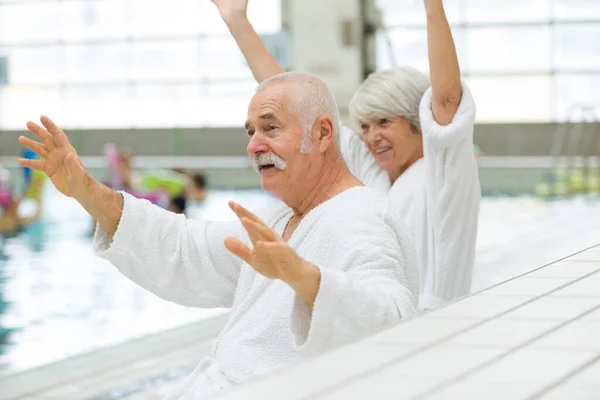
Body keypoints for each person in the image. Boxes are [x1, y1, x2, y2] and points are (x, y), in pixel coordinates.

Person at [18, 71, 419, 399]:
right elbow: (185, 248)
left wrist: (307, 279)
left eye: (270, 128)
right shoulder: (283, 220)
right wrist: (86, 191)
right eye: (250, 132)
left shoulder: (362, 218)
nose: (254, 145)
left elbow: (394, 318)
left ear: (322, 134)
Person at [213, 0, 481, 311]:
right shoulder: (373, 177)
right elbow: (293, 107)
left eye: (384, 122)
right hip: (376, 320)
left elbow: (447, 98)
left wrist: (433, 8)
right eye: (365, 126)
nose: (372, 137)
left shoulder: (444, 174)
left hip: (435, 326)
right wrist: (238, 23)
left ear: (419, 123)